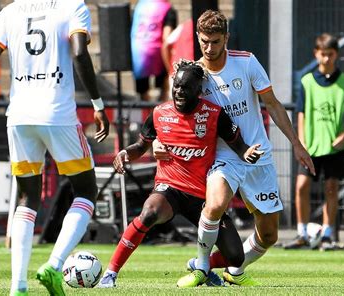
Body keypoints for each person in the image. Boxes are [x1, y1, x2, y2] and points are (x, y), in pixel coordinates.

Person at [173, 10, 315, 287]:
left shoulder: (246, 62)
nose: (209, 48)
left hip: (257, 154)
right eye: (204, 41)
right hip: (224, 155)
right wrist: (158, 142)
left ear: (226, 37)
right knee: (214, 205)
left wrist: (296, 144)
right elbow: (176, 115)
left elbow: (272, 104)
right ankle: (202, 266)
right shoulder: (195, 75)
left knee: (269, 235)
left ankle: (231, 270)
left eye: (215, 41)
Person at [97, 60, 264, 288]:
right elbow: (140, 145)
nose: (179, 91)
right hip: (170, 188)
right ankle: (110, 274)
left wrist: (248, 153)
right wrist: (126, 153)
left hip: (203, 196)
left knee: (236, 257)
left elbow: (239, 145)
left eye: (185, 87)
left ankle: (200, 266)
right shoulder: (159, 113)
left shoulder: (214, 114)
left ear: (198, 90)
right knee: (149, 212)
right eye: (176, 86)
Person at [0, 1, 110, 295]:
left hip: (19, 118)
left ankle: (18, 286)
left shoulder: (9, 12)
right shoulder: (72, 7)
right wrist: (98, 104)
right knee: (86, 191)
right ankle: (54, 264)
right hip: (58, 115)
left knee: (27, 198)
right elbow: (79, 52)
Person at [283, 33, 344, 251]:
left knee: (331, 188)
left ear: (336, 55)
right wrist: (301, 142)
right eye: (322, 54)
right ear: (316, 54)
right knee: (301, 186)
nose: (326, 58)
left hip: (334, 148)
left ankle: (326, 234)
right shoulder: (307, 81)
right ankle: (302, 233)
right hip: (311, 147)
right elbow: (301, 113)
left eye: (330, 54)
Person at [131, 0, 177, 120]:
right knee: (163, 88)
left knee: (143, 91)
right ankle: (159, 119)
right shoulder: (167, 8)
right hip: (157, 52)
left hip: (138, 51)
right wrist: (170, 67)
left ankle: (148, 120)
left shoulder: (139, 5)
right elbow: (166, 37)